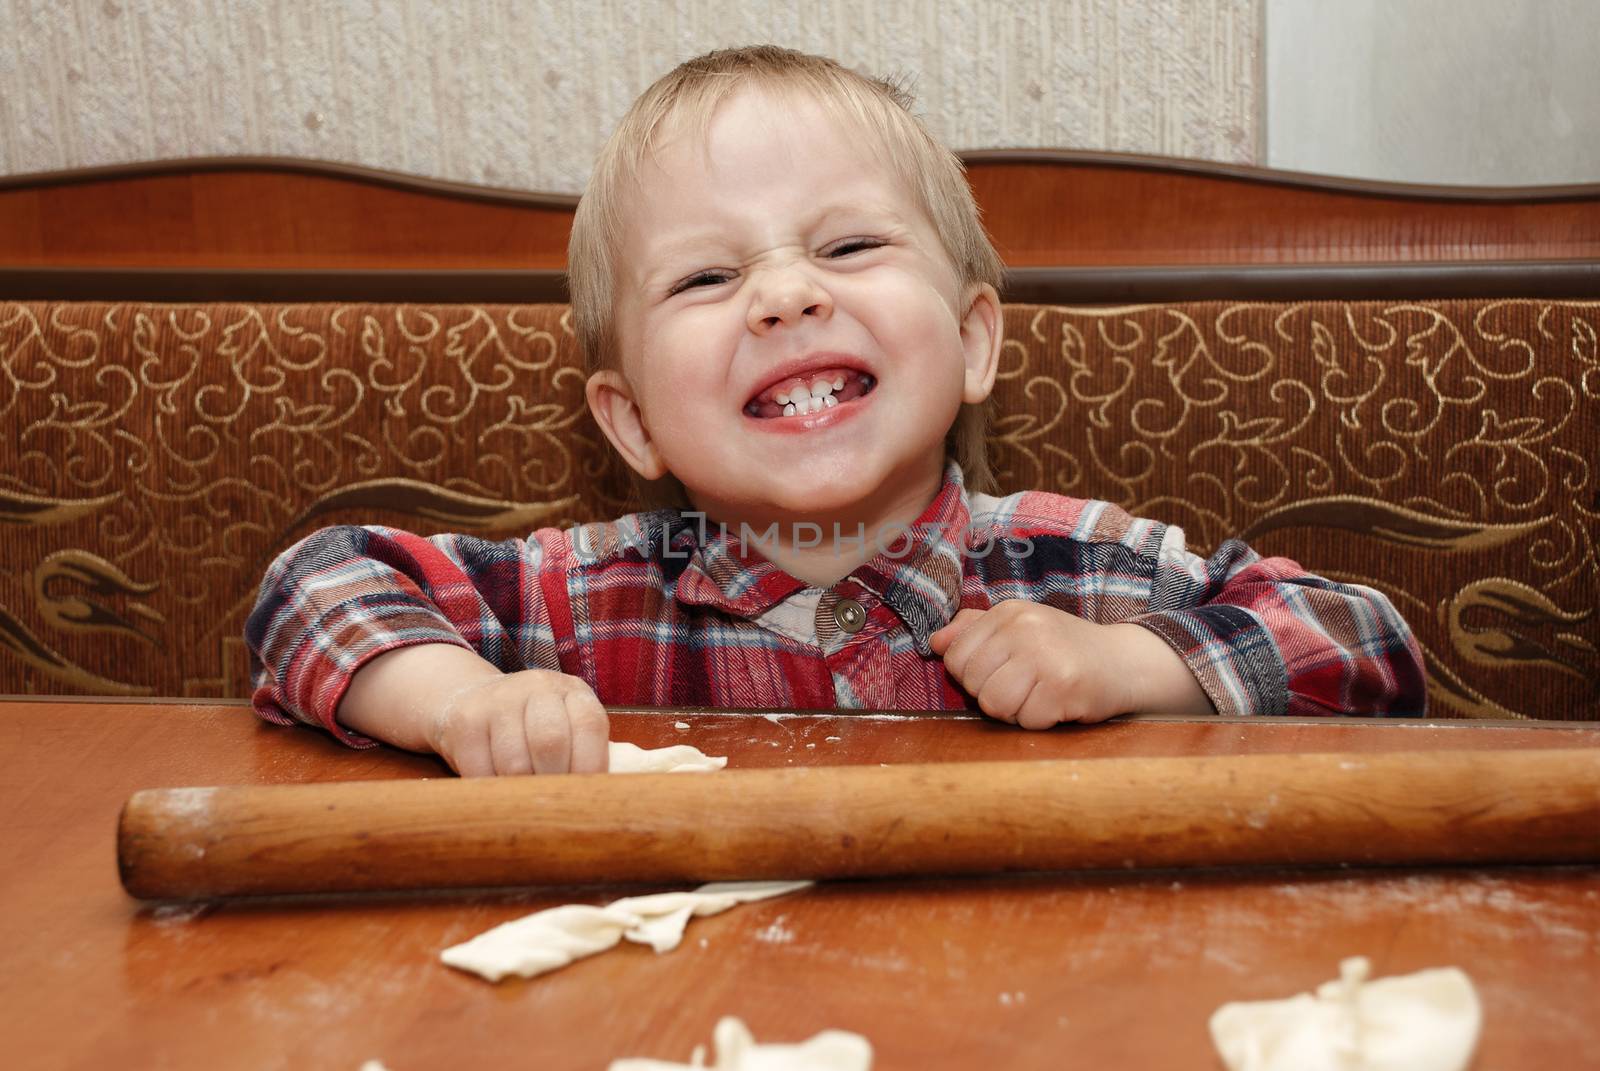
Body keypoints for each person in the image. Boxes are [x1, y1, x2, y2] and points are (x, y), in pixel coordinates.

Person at [246, 46, 1426, 777]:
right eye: (706, 279)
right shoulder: (582, 604)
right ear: (631, 422)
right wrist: (462, 705)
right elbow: (316, 584)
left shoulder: (1083, 572)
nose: (784, 294)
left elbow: (1370, 646)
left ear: (970, 341)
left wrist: (1135, 666)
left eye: (849, 246)